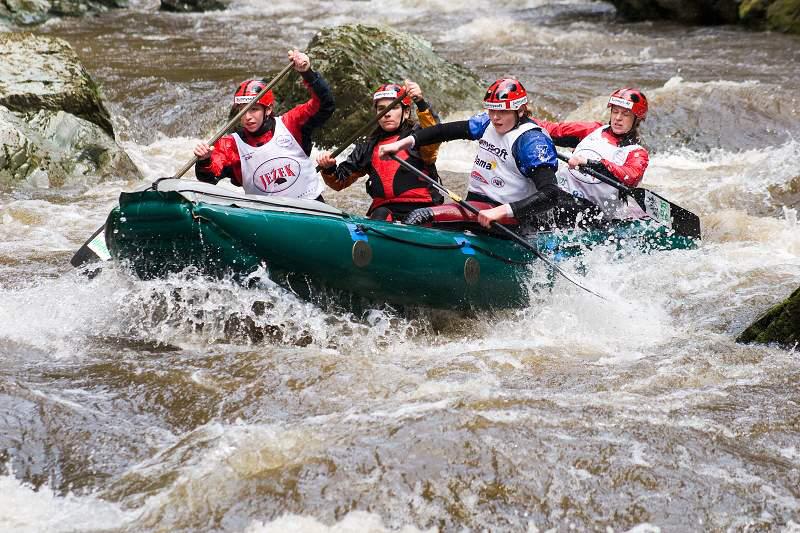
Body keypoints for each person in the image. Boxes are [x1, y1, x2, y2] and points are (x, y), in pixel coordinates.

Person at [378, 78, 559, 231]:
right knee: (415, 217)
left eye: (503, 111)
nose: (495, 117)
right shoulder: (487, 123)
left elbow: (551, 194)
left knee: (422, 216)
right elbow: (443, 131)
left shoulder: (531, 142)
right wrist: (402, 143)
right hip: (476, 207)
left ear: (520, 110)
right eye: (492, 110)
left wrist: (501, 211)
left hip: (510, 218)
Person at [193, 49, 335, 201]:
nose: (247, 117)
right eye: (242, 111)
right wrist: (204, 160)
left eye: (253, 109)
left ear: (268, 109)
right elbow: (208, 178)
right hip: (268, 216)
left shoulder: (291, 124)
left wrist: (307, 73)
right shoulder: (230, 146)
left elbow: (325, 104)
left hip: (312, 205)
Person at [315, 81, 443, 221]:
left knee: (414, 217)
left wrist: (420, 101)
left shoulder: (418, 137)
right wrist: (328, 168)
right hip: (385, 212)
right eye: (381, 108)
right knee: (380, 214)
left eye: (393, 108)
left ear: (406, 113)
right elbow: (339, 183)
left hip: (422, 209)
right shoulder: (368, 147)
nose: (386, 113)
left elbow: (435, 133)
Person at [534, 88, 650, 226]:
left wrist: (591, 163)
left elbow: (630, 176)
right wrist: (519, 118)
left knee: (545, 202)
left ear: (636, 119)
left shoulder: (637, 153)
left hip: (593, 212)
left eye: (625, 114)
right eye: (615, 111)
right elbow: (553, 130)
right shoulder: (592, 130)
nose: (618, 118)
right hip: (559, 193)